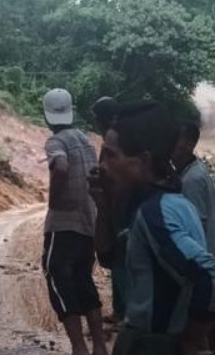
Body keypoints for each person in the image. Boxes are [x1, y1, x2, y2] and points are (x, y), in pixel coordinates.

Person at [96, 101, 215, 355]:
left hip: (154, 344)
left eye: (111, 155)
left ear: (143, 161)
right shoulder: (158, 203)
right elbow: (109, 258)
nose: (102, 166)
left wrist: (189, 343)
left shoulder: (156, 213)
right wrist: (103, 204)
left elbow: (207, 276)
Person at [41, 88, 108, 355]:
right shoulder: (85, 140)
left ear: (47, 115)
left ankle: (79, 347)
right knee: (84, 280)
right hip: (88, 224)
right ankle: (100, 346)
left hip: (63, 226)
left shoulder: (55, 141)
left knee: (57, 276)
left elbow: (60, 166)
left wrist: (54, 200)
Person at [91, 96, 128, 325]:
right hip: (116, 206)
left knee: (121, 258)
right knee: (117, 260)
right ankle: (120, 310)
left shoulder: (115, 141)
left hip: (118, 207)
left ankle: (125, 312)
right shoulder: (118, 137)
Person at [172, 116, 215, 254]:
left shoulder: (192, 180)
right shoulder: (194, 169)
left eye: (175, 139)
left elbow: (195, 228)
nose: (169, 143)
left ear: (189, 145)